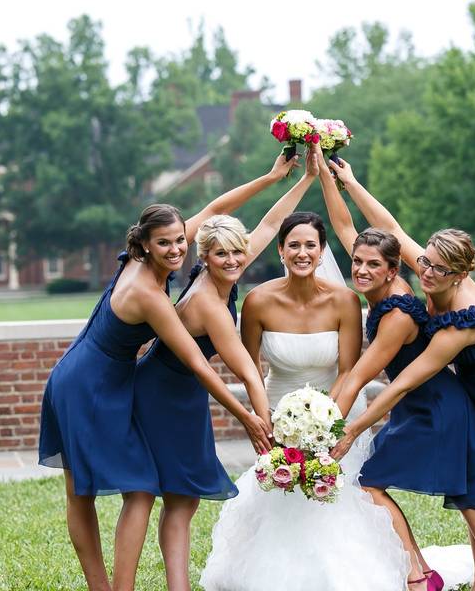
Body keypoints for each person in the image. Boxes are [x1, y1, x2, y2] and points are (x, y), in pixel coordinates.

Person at [39, 158, 298, 591]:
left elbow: (217, 205)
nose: (177, 249)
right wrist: (247, 417)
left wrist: (273, 178)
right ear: (143, 244)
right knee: (93, 491)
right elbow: (197, 362)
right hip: (87, 383)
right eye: (166, 244)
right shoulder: (147, 292)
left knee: (132, 490)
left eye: (181, 240)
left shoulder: (159, 254)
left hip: (106, 375)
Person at [325, 157, 475, 591]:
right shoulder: (434, 271)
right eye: (426, 264)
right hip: (469, 388)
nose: (428, 274)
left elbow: (406, 381)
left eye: (438, 270)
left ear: (462, 273)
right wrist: (348, 182)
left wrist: (351, 428)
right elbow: (390, 227)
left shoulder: (464, 319)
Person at [133, 150, 320, 591]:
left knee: (183, 499)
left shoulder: (225, 268)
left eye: (238, 252)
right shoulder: (207, 302)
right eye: (223, 255)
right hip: (162, 392)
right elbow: (249, 372)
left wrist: (301, 177)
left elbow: (271, 224)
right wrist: (263, 428)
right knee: (177, 496)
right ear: (206, 256)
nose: (235, 260)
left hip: (185, 391)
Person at [199, 205, 411, 591]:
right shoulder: (258, 302)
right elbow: (248, 369)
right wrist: (267, 422)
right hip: (277, 409)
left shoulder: (345, 301)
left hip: (338, 409)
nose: (302, 253)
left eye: (310, 245)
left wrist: (327, 428)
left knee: (334, 496)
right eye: (293, 245)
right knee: (282, 493)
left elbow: (350, 371)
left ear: (321, 250)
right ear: (280, 250)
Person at [318, 161, 472, 591]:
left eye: (372, 265)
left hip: (433, 406)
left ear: (391, 270)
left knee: (369, 482)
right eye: (357, 262)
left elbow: (358, 376)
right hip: (413, 404)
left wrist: (325, 430)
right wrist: (326, 173)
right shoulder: (377, 280)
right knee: (372, 481)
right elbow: (344, 222)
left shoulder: (398, 314)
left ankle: (419, 576)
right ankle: (422, 570)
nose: (360, 269)